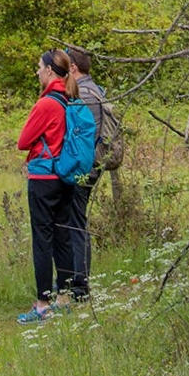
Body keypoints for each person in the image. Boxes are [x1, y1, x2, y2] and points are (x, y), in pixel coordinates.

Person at [16, 48, 78, 323]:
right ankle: (64, 298)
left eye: (39, 66)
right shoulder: (69, 100)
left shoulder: (45, 104)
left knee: (43, 239)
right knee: (63, 236)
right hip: (64, 176)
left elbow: (22, 141)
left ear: (51, 71)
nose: (37, 71)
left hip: (43, 178)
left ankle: (42, 303)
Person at [65, 48, 106, 301]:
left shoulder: (83, 93)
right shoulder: (97, 90)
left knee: (75, 222)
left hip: (83, 168)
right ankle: (78, 282)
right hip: (95, 165)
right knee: (76, 220)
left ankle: (80, 286)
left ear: (72, 67)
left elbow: (82, 137)